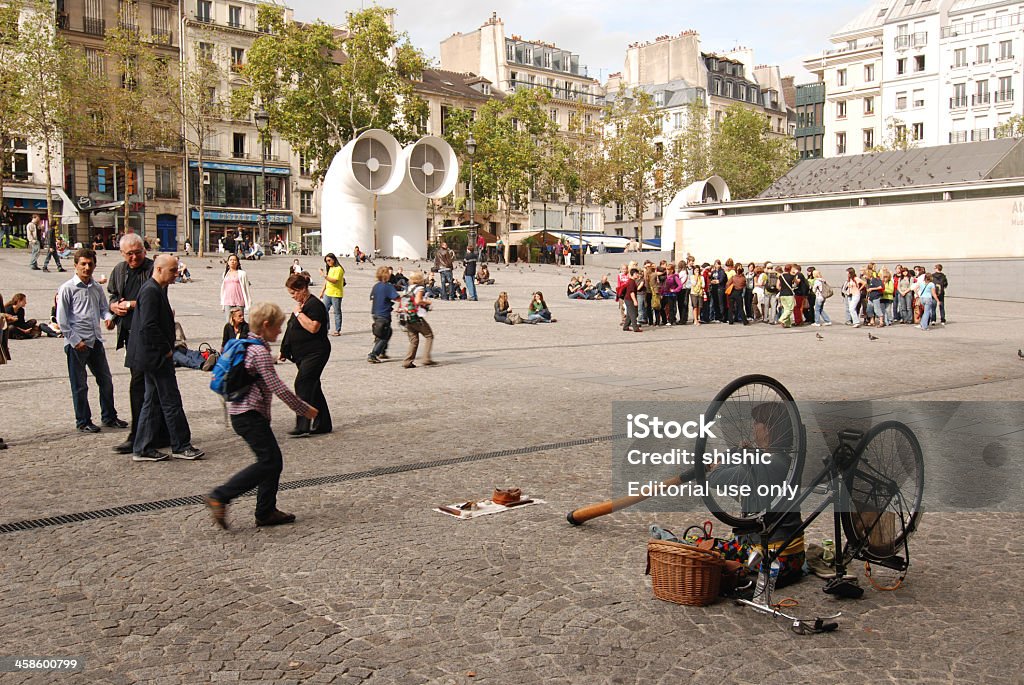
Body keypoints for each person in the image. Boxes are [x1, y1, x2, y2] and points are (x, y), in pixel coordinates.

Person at [206, 302, 318, 530]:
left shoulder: (244, 344)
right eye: (278, 327)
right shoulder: (258, 352)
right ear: (266, 326)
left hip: (242, 413)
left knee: (272, 461)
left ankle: (266, 511)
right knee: (269, 461)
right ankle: (221, 496)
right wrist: (304, 409)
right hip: (249, 415)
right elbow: (278, 387)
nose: (279, 331)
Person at [127, 254, 204, 461]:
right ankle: (181, 445)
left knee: (151, 402)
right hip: (156, 357)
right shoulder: (151, 291)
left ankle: (142, 447)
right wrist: (167, 349)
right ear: (159, 269)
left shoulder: (155, 289)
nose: (176, 274)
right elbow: (149, 326)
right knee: (170, 401)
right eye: (172, 270)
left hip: (152, 356)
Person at [107, 233, 166, 454]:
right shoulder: (120, 271)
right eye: (129, 254)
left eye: (137, 252)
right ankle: (153, 433)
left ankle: (141, 436)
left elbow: (155, 296)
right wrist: (114, 307)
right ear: (122, 254)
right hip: (130, 334)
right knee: (143, 387)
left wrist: (130, 305)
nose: (134, 257)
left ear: (145, 250)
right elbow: (112, 295)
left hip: (148, 336)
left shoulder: (154, 268)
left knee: (144, 387)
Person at [56, 248, 126, 434]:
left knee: (106, 380)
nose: (87, 268)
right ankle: (83, 420)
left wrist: (108, 317)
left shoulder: (96, 287)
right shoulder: (67, 289)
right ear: (76, 266)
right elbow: (62, 320)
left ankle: (109, 416)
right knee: (80, 385)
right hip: (77, 343)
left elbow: (103, 308)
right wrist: (74, 340)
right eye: (83, 264)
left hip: (95, 341)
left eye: (90, 264)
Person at [280, 272, 332, 436]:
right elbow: (291, 329)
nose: (293, 296)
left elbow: (313, 327)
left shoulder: (315, 305)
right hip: (302, 354)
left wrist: (298, 314)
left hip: (316, 352)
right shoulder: (302, 305)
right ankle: (323, 424)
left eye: (294, 292)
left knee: (302, 384)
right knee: (313, 387)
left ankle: (303, 425)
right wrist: (284, 349)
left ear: (303, 288)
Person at [401, 272, 436, 368]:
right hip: (415, 317)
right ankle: (426, 358)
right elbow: (417, 301)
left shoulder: (406, 289)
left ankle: (407, 361)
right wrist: (427, 302)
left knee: (414, 340)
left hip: (406, 316)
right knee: (429, 335)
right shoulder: (419, 288)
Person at [368, 265, 400, 363]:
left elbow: (372, 297)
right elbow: (396, 298)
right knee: (384, 335)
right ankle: (373, 354)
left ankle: (382, 351)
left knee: (384, 332)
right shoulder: (388, 286)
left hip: (375, 312)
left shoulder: (376, 286)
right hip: (384, 313)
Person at [318, 253, 345, 336]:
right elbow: (326, 282)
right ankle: (326, 328)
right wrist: (322, 291)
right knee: (324, 310)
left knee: (337, 312)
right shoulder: (330, 268)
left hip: (336, 294)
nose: (328, 262)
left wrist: (323, 275)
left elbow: (335, 280)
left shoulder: (339, 269)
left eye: (329, 260)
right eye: (326, 261)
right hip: (328, 293)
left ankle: (337, 330)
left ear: (334, 259)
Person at [220, 254, 252, 320]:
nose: (232, 261)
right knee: (229, 321)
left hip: (239, 300)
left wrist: (248, 302)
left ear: (237, 262)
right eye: (231, 260)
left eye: (234, 260)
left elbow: (246, 289)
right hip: (228, 300)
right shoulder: (225, 274)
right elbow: (224, 289)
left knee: (239, 320)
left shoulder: (242, 274)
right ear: (228, 262)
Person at [622, 268, 642, 333]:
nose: (637, 275)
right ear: (632, 274)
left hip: (628, 299)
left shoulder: (632, 281)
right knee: (633, 314)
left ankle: (626, 326)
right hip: (629, 299)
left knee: (629, 314)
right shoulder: (631, 282)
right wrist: (635, 301)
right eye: (636, 274)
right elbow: (631, 292)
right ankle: (635, 328)